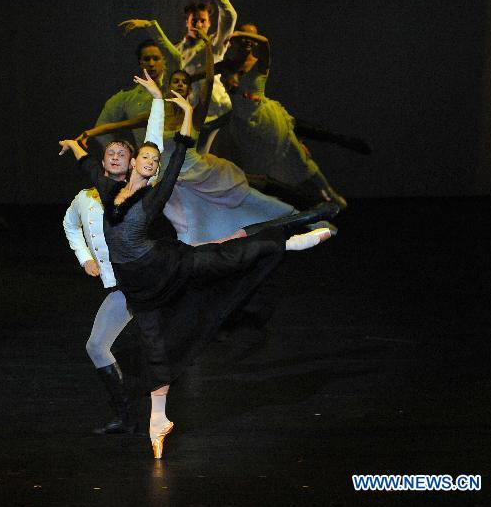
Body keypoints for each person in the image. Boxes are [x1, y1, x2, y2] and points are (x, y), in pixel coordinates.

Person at [60, 88, 335, 458]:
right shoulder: (106, 190)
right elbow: (85, 163)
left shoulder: (152, 193)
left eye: (144, 157)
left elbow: (172, 152)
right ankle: (158, 420)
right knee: (154, 346)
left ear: (145, 165)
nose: (135, 158)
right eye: (119, 154)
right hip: (135, 287)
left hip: (163, 267)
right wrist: (75, 147)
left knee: (221, 258)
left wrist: (182, 111)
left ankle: (286, 244)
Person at [78, 34, 298, 244]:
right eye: (176, 81)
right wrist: (91, 133)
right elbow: (122, 124)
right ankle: (193, 244)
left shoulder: (195, 114)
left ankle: (295, 215)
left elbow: (210, 81)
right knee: (183, 219)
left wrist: (209, 50)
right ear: (170, 86)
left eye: (184, 82)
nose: (180, 85)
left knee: (247, 197)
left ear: (189, 88)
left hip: (198, 172)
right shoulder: (158, 114)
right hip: (171, 177)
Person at [216, 24, 347, 208]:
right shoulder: (228, 65)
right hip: (243, 125)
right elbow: (200, 74)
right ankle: (267, 208)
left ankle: (330, 193)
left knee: (298, 157)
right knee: (254, 171)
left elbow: (266, 44)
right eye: (243, 38)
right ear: (235, 42)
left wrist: (239, 34)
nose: (247, 41)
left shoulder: (259, 63)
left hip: (266, 120)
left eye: (251, 38)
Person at [63, 140, 136, 434]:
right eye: (110, 154)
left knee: (160, 350)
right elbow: (70, 225)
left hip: (149, 284)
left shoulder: (139, 192)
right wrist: (85, 259)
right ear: (102, 162)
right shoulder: (85, 198)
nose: (115, 157)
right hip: (122, 288)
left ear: (132, 163)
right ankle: (126, 417)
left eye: (122, 154)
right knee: (96, 346)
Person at [90, 37, 181, 147]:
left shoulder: (173, 89)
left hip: (177, 157)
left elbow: (176, 57)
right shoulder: (128, 96)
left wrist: (150, 26)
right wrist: (119, 154)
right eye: (147, 59)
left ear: (163, 60)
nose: (151, 63)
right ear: (140, 62)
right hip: (146, 159)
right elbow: (100, 128)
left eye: (156, 58)